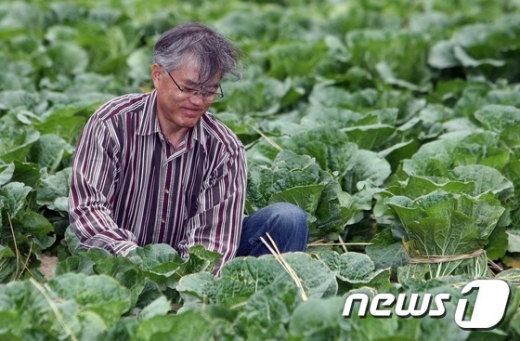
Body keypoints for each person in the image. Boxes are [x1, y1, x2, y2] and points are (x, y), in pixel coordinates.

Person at [68, 22, 309, 273]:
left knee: (288, 220)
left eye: (209, 91)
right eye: (189, 88)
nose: (197, 101)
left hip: (191, 266)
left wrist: (188, 282)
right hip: (120, 261)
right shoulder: (111, 123)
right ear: (158, 75)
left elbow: (213, 241)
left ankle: (262, 303)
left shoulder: (224, 148)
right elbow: (88, 208)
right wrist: (139, 263)